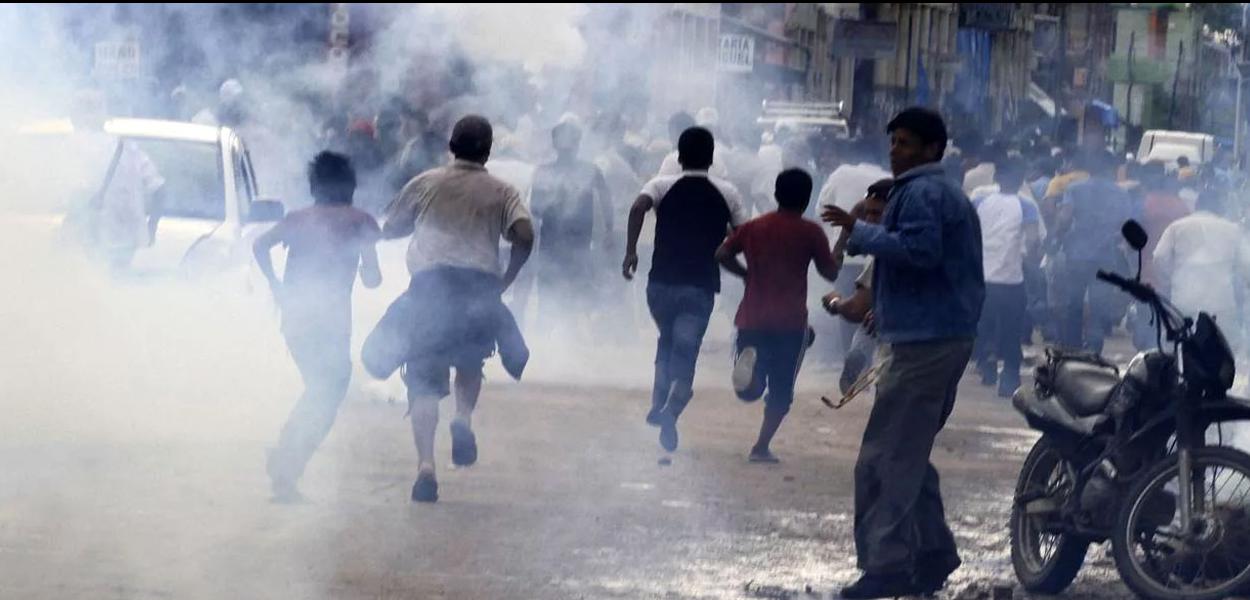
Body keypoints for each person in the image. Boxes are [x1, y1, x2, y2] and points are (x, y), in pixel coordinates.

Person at [821, 107, 984, 599]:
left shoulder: (923, 193)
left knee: (884, 458)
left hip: (925, 342)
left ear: (933, 149)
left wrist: (860, 230)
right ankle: (933, 553)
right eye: (893, 143)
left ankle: (886, 566)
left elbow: (919, 252)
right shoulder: (931, 191)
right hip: (930, 335)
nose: (896, 152)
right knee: (908, 453)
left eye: (907, 144)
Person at [381, 115, 535, 503]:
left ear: (451, 146)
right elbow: (524, 235)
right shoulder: (502, 191)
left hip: (430, 288)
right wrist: (506, 280)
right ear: (488, 150)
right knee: (469, 363)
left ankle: (426, 467)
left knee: (423, 379)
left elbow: (392, 226)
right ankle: (463, 418)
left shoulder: (427, 182)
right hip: (479, 289)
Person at [253, 151, 383, 502]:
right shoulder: (361, 222)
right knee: (327, 391)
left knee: (321, 389)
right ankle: (285, 461)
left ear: (314, 187)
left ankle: (285, 463)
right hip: (332, 321)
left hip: (296, 317)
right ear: (350, 187)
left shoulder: (298, 219)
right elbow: (372, 280)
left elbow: (260, 245)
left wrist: (276, 285)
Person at [624, 126, 747, 453]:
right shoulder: (728, 192)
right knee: (686, 346)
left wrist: (631, 251)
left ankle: (657, 402)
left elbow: (638, 207)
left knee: (667, 338)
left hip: (660, 282)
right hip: (700, 283)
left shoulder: (661, 184)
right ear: (711, 158)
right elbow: (743, 233)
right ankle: (672, 408)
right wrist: (744, 267)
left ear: (678, 157)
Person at [715, 169, 839, 463]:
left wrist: (746, 274)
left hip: (752, 317)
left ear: (776, 193)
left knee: (748, 391)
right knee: (782, 391)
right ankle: (760, 447)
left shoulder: (754, 227)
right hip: (790, 322)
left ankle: (753, 373)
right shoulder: (811, 232)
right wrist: (842, 245)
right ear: (807, 199)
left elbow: (721, 254)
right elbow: (830, 271)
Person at [528, 118, 613, 340]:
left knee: (574, 288)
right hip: (557, 243)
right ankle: (547, 335)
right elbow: (535, 209)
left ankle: (569, 337)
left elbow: (606, 201)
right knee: (555, 288)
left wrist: (609, 232)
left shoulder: (588, 170)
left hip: (575, 243)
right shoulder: (548, 172)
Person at [66, 89, 166, 272]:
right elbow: (159, 189)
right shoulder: (128, 148)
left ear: (75, 116)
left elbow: (75, 194)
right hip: (127, 244)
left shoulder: (73, 150)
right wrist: (151, 227)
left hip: (88, 242)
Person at [1054, 150, 1137, 353]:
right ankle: (1093, 350)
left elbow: (1065, 218)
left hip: (1077, 254)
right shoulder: (1121, 193)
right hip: (1105, 256)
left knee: (1073, 303)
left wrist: (1056, 237)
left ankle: (1071, 350)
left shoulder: (1075, 189)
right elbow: (1126, 226)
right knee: (1099, 306)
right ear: (1111, 169)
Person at [971, 158, 1040, 398]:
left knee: (984, 323)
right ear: (1020, 181)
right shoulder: (1026, 205)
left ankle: (986, 360)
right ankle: (1009, 379)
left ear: (996, 179)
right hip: (1011, 278)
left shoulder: (979, 201)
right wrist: (1031, 259)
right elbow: (1032, 239)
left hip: (982, 276)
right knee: (1011, 329)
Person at [1154, 189, 1250, 352]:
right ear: (1220, 207)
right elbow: (1247, 265)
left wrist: (1169, 281)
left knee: (1178, 349)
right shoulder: (1232, 229)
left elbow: (1159, 257)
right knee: (1225, 350)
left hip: (1184, 300)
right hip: (1221, 303)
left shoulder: (1177, 227)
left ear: (1197, 206)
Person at [822, 179, 893, 394]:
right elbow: (860, 209)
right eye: (868, 214)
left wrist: (835, 302)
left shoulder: (887, 250)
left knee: (867, 321)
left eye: (877, 214)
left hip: (902, 336)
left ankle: (859, 357)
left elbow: (855, 309)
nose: (870, 220)